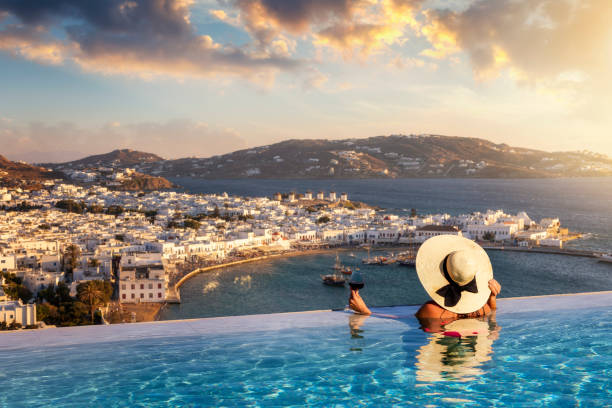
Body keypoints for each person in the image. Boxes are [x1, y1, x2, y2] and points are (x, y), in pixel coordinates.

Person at [349, 235, 501, 319]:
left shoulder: (431, 310)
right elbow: (492, 314)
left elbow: (399, 321)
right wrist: (491, 299)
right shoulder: (483, 308)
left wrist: (366, 312)